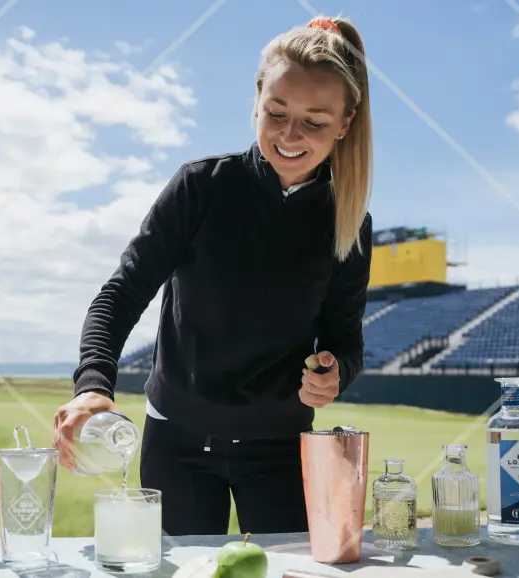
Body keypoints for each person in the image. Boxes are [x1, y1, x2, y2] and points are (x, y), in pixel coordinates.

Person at [52, 15, 374, 537]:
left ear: (345, 122)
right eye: (276, 112)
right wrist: (93, 385)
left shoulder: (350, 223)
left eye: (315, 121)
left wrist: (337, 372)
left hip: (281, 450)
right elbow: (121, 295)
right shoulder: (200, 188)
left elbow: (345, 339)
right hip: (175, 443)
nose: (290, 136)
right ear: (257, 99)